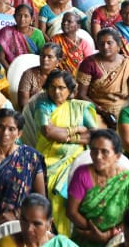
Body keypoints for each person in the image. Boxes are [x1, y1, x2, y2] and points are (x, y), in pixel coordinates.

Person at [22, 69, 102, 234]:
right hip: (48, 158)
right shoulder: (42, 105)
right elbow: (48, 132)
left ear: (70, 90)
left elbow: (94, 135)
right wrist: (78, 129)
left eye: (61, 88)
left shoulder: (81, 108)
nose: (56, 91)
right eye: (52, 87)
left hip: (75, 159)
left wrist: (68, 136)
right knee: (54, 190)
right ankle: (60, 233)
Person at [0, 109, 47, 237]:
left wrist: (16, 215)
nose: (5, 133)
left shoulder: (31, 156)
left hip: (26, 221)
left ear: (19, 133)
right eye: (1, 126)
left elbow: (40, 197)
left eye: (11, 129)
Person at [79, 29, 129, 127]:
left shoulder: (128, 63)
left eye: (109, 43)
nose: (105, 47)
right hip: (98, 110)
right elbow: (81, 95)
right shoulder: (89, 63)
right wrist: (103, 112)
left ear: (118, 45)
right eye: (101, 44)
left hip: (125, 108)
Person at [50, 11, 95, 76]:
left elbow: (90, 65)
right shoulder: (54, 40)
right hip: (58, 77)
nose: (65, 23)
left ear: (78, 26)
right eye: (63, 21)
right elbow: (50, 60)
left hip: (79, 78)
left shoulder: (84, 44)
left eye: (69, 21)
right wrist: (68, 54)